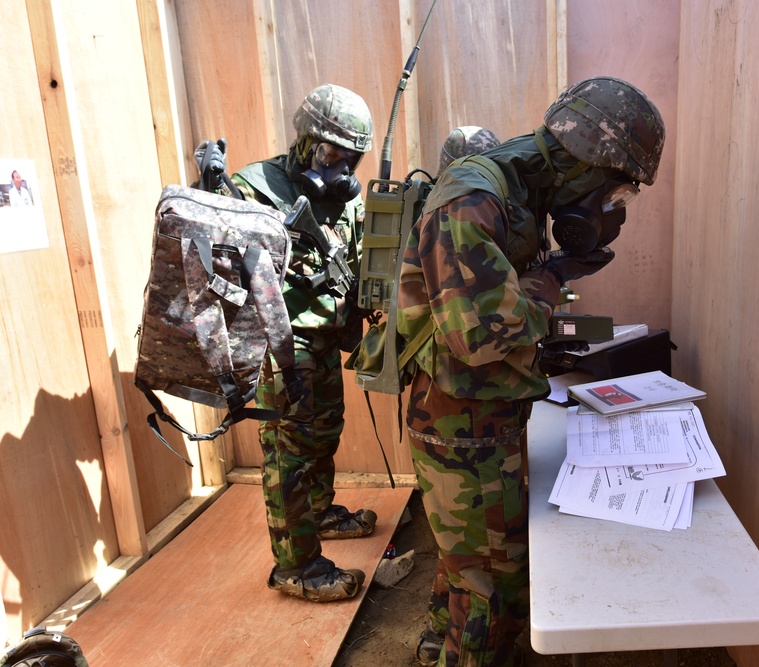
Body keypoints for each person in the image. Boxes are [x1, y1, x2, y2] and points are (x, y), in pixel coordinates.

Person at [397, 76, 665, 666]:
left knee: (468, 564)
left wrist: (552, 276)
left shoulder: (521, 193)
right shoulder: (474, 200)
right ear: (588, 162)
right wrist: (553, 279)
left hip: (482, 413)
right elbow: (479, 335)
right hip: (460, 423)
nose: (613, 206)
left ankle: (441, 643)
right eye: (616, 190)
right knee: (496, 588)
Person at [198, 83, 379, 602]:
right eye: (331, 152)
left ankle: (317, 515)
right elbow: (211, 251)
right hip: (280, 346)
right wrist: (210, 191)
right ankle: (296, 566)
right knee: (290, 453)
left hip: (322, 337)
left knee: (324, 433)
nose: (341, 167)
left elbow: (363, 251)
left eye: (352, 157)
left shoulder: (345, 197)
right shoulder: (254, 187)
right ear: (305, 141)